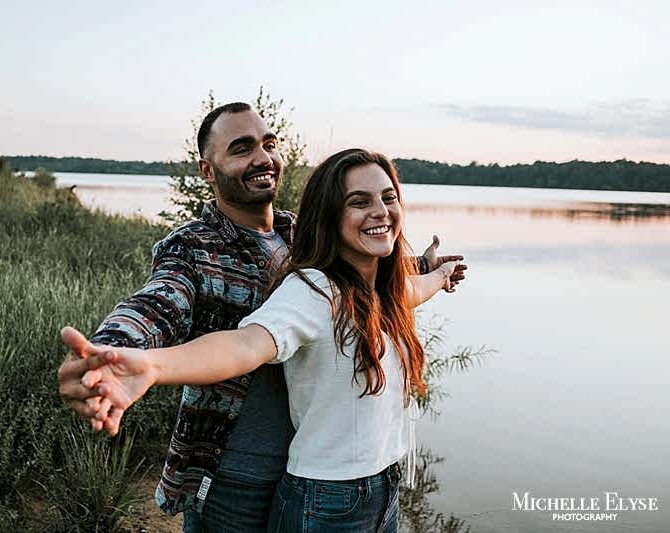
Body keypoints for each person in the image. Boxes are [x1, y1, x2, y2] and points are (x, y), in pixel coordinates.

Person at [57, 104, 467, 532]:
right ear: (208, 170)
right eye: (241, 148)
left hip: (311, 465)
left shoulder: (300, 233)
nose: (261, 158)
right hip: (236, 474)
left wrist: (423, 267)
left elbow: (364, 288)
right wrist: (114, 354)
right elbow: (160, 307)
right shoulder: (195, 246)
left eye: (268, 144)